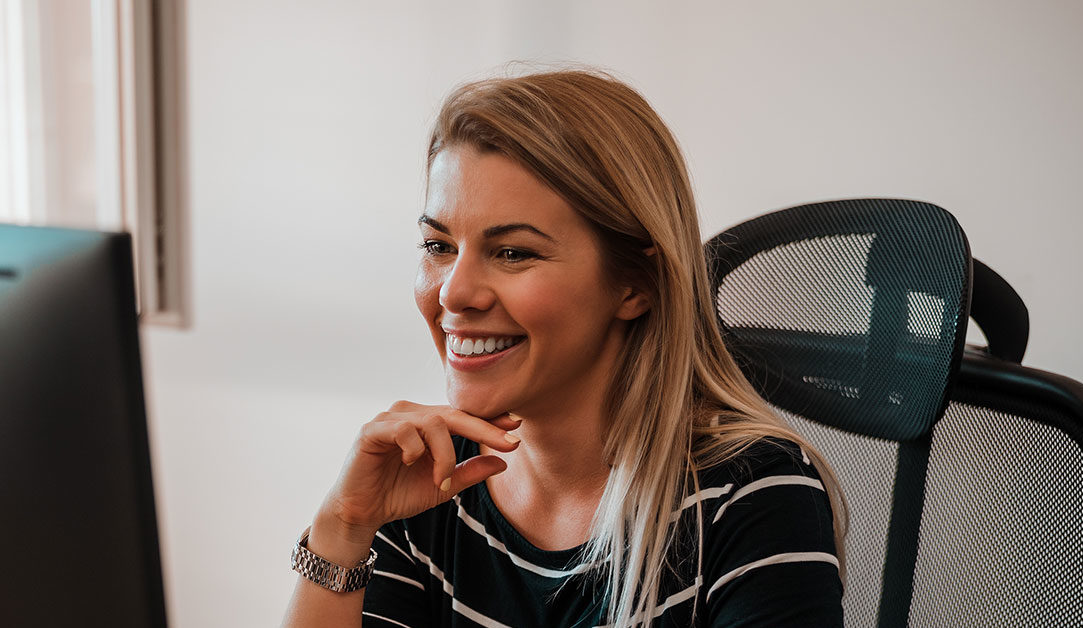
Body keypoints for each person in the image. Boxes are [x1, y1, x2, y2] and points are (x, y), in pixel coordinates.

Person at [282, 69, 848, 627]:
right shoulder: (428, 480)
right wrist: (343, 528)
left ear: (634, 285)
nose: (453, 291)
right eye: (438, 245)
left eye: (513, 253)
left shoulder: (750, 496)